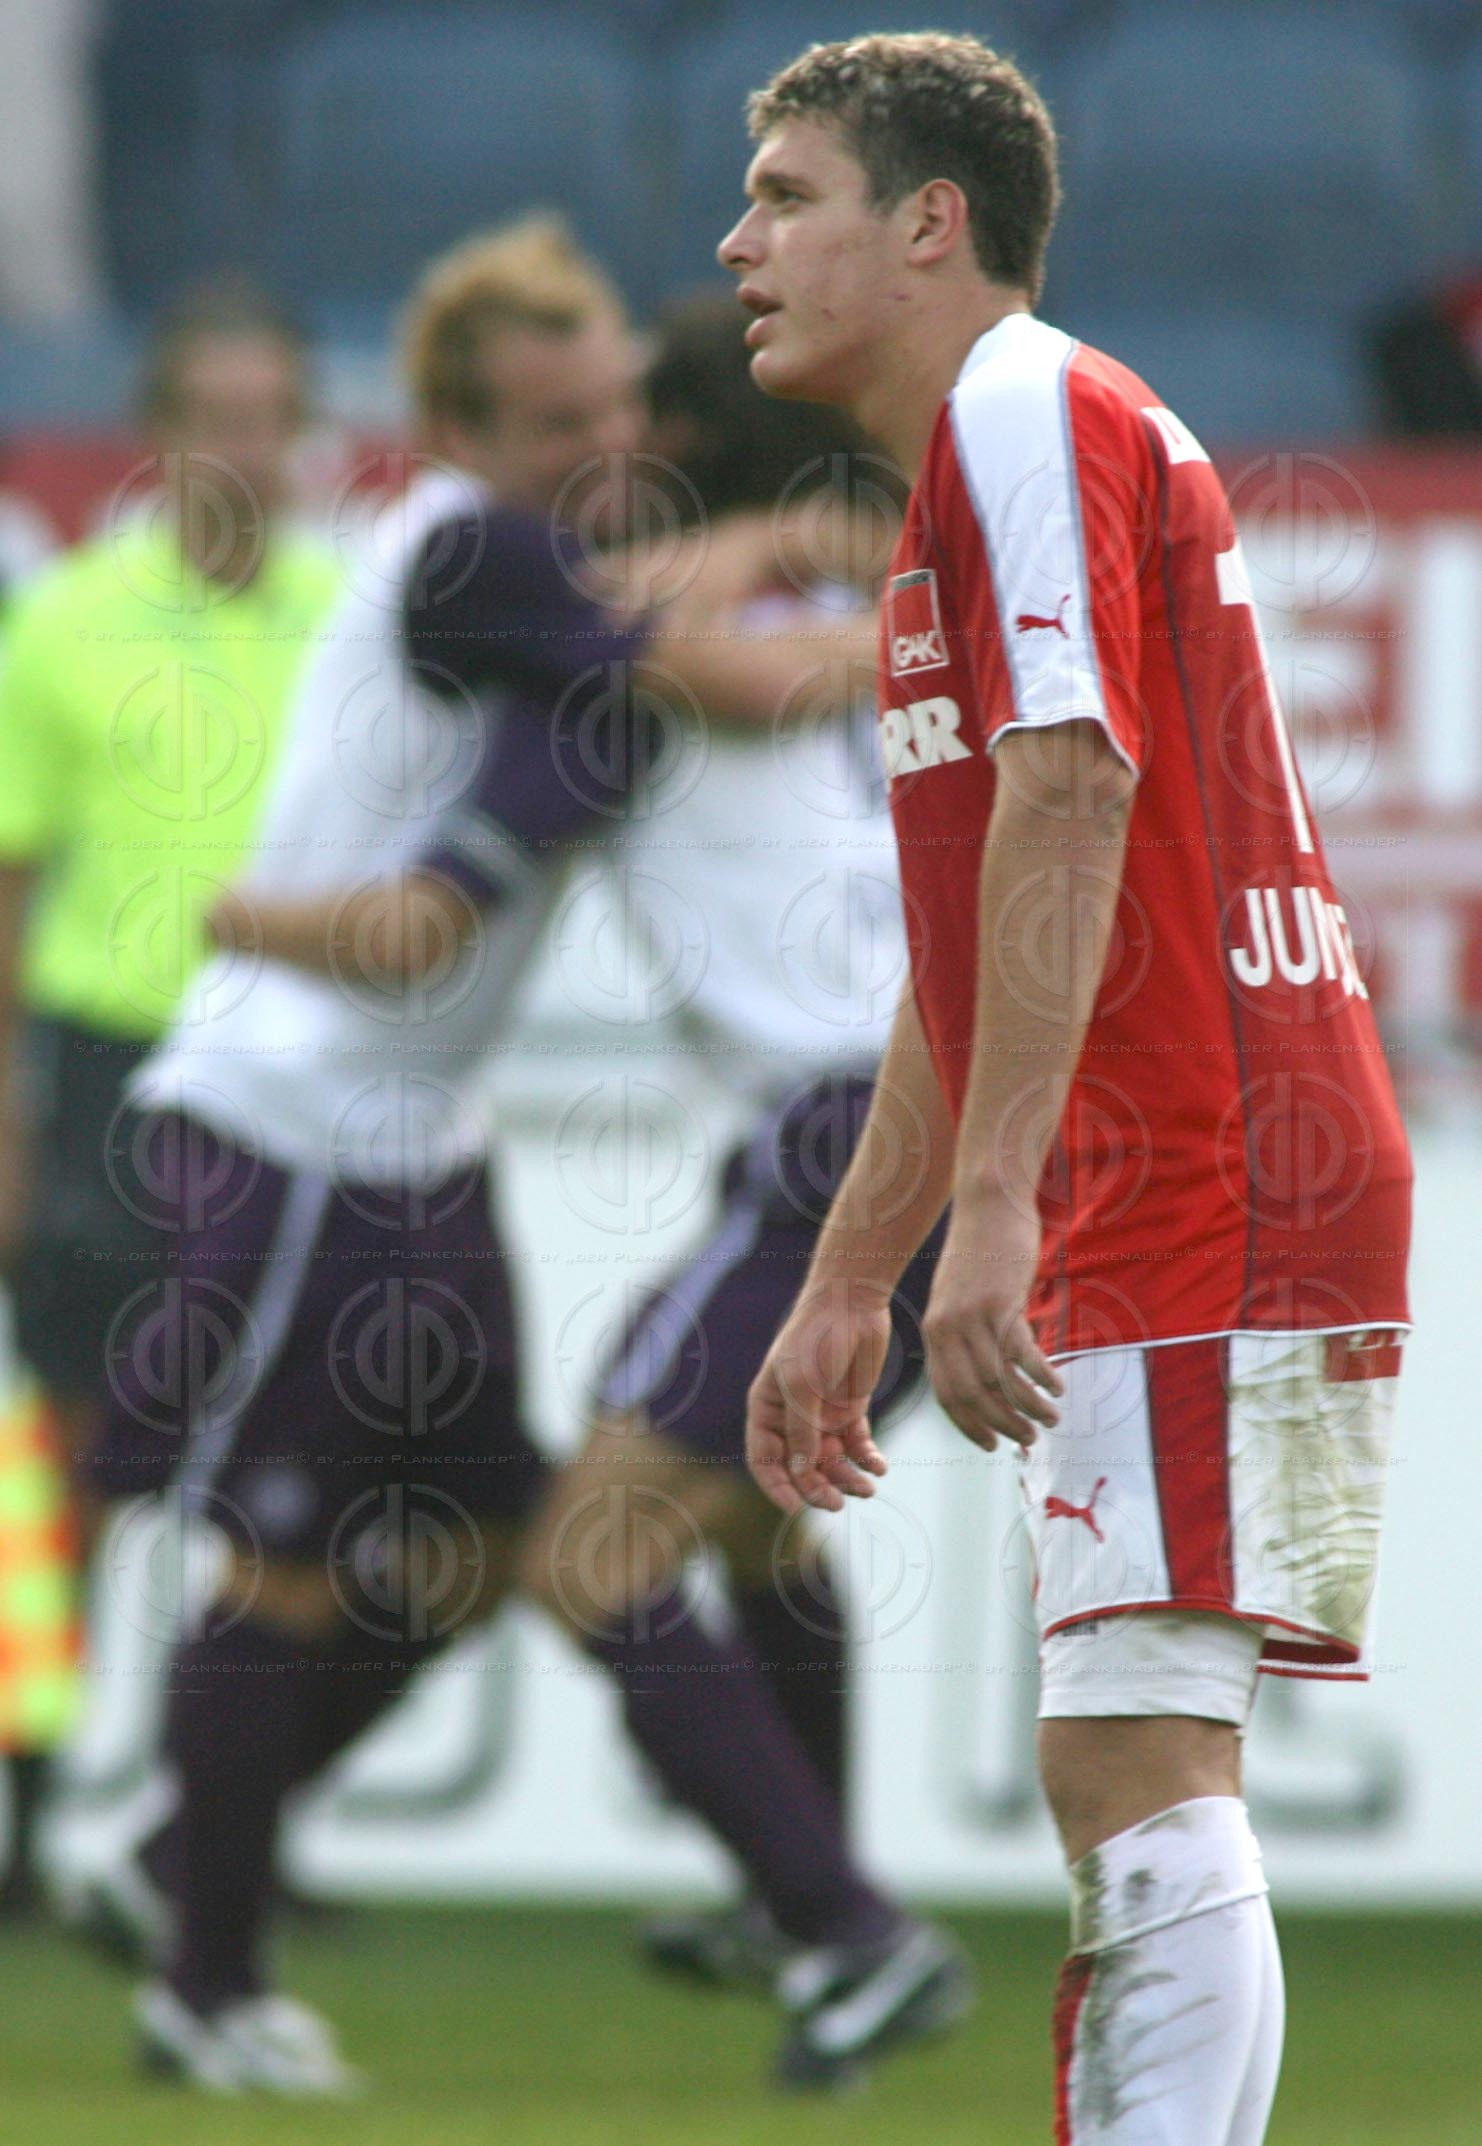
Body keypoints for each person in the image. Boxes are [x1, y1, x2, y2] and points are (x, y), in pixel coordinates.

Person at [84, 216, 890, 2097]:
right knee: (286, 1566)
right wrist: (847, 573)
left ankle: (171, 1863)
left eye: (616, 399)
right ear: (458, 428)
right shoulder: (466, 552)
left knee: (473, 1553)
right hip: (285, 1118)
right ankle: (207, 1971)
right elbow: (714, 674)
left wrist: (786, 553)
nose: (599, 440)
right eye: (552, 418)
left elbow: (628, 673)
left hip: (409, 1145)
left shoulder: (542, 575)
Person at [724, 33, 1412, 2146]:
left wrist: (996, 1202)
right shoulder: (988, 460)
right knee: (1123, 1748)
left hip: (1208, 1154)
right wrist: (860, 1265)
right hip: (1189, 1153)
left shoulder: (1023, 405)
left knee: (1138, 1759)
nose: (739, 246)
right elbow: (977, 935)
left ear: (929, 222)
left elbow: (1072, 786)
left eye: (786, 194)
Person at [518, 293, 968, 2059]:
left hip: (844, 1125)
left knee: (590, 1554)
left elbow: (650, 645)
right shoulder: (892, 597)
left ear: (682, 451)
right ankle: (805, 1885)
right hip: (877, 1120)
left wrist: (756, 537)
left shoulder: (717, 604)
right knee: (764, 1522)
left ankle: (847, 1925)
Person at [0, 282, 338, 1911]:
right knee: (65, 1460)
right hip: (111, 1072)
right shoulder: (65, 621)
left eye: (271, 417)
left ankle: (218, 1832)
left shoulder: (346, 616)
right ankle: (24, 1809)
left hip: (290, 1073)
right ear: (157, 437)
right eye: (216, 415)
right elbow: (11, 874)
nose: (246, 448)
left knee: (281, 1455)